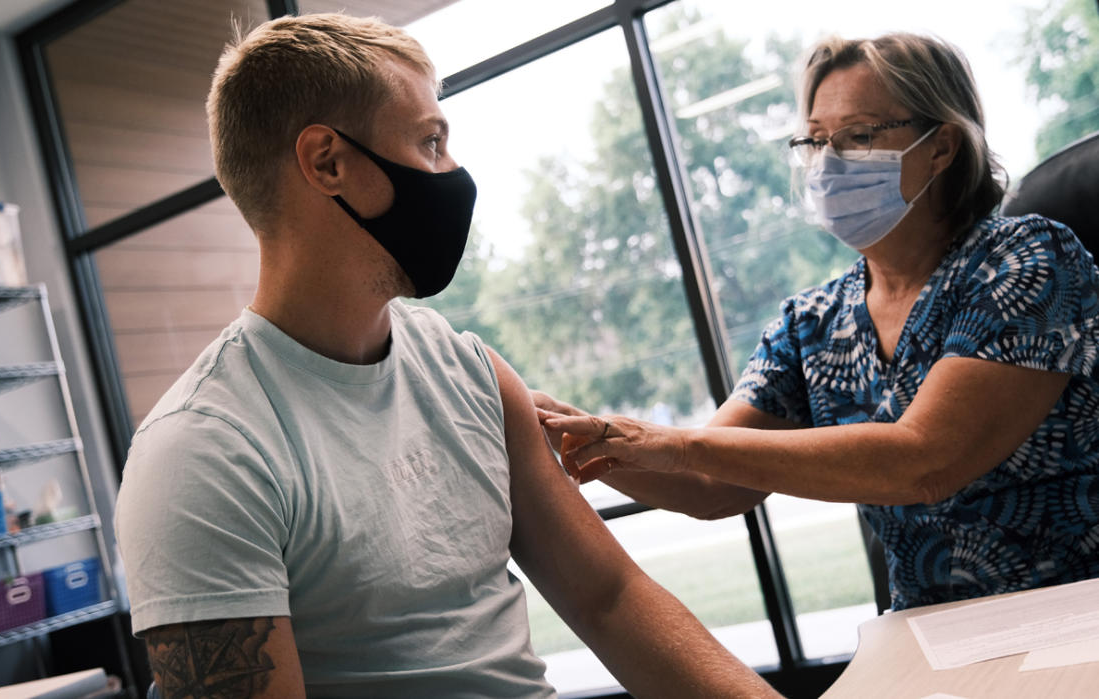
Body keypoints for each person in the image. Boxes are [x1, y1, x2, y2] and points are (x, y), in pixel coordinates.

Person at [113, 13, 780, 699]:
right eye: (430, 142)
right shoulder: (203, 453)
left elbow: (608, 598)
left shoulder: (470, 373)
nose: (453, 174)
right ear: (327, 162)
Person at [537, 32, 1099, 612]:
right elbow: (711, 483)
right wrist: (572, 431)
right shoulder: (810, 324)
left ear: (942, 146)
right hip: (929, 631)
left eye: (858, 137)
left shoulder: (1027, 260)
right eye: (814, 141)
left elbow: (926, 460)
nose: (827, 166)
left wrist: (677, 444)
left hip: (1076, 612)